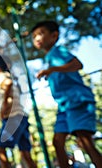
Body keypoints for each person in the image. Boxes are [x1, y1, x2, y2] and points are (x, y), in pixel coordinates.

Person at [31, 20, 102, 168]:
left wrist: (52, 70)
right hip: (64, 106)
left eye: (41, 33)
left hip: (77, 101)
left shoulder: (58, 51)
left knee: (84, 141)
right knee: (57, 142)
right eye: (34, 36)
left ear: (54, 36)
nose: (37, 38)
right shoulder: (49, 58)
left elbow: (78, 64)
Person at [0, 54, 37, 168]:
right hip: (22, 117)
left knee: (0, 149)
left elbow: (8, 84)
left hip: (13, 117)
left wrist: (5, 105)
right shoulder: (10, 76)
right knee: (26, 154)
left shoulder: (1, 76)